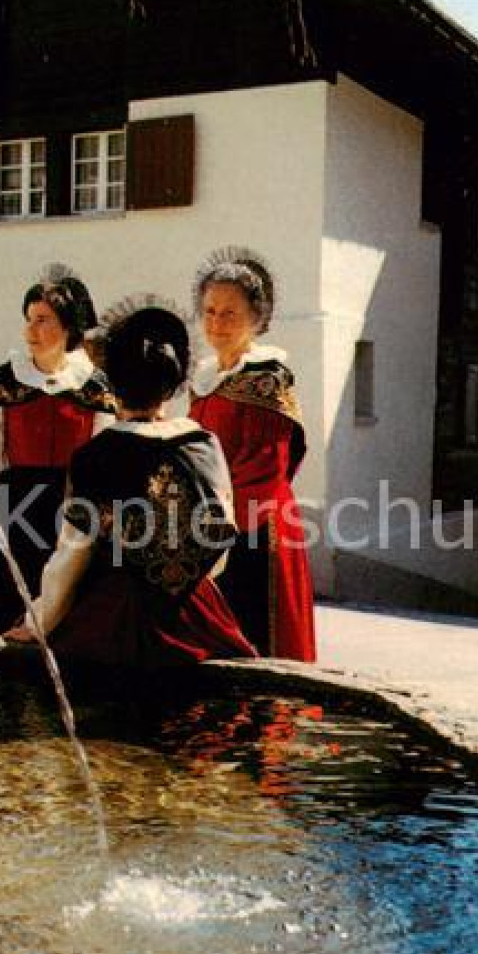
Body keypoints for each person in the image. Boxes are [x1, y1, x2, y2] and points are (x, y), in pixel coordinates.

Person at [4, 303, 255, 668]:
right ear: (173, 384)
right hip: (195, 612)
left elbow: (73, 556)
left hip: (117, 615)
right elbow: (218, 542)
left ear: (112, 383)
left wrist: (38, 622)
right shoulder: (204, 445)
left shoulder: (97, 454)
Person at [0, 269, 115, 635]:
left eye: (42, 320)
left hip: (72, 514)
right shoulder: (3, 381)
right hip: (14, 512)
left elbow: (104, 466)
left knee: (68, 618)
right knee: (7, 616)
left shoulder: (93, 387)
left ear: (67, 328)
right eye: (29, 320)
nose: (30, 330)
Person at [187, 249, 316, 661]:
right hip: (212, 527)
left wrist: (209, 534)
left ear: (256, 318)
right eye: (209, 311)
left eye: (229, 313)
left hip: (256, 531)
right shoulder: (205, 380)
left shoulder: (266, 380)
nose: (216, 323)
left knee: (257, 643)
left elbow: (264, 471)